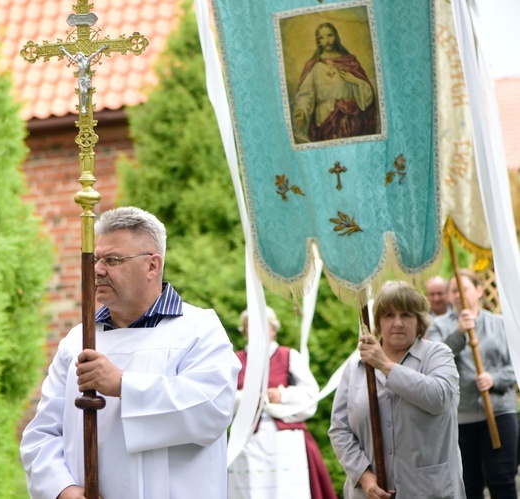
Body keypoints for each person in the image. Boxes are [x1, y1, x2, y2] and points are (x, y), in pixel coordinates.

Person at [20, 206, 240, 499]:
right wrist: (64, 490)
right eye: (97, 259)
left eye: (113, 260)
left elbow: (211, 410)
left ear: (152, 265)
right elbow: (42, 434)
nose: (97, 269)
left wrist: (123, 385)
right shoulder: (77, 341)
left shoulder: (199, 329)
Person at [329, 281, 465, 498]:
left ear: (419, 321)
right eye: (389, 315)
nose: (398, 323)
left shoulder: (438, 355)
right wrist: (365, 476)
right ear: (378, 322)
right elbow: (340, 429)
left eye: (406, 315)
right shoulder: (356, 368)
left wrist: (385, 366)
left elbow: (439, 397)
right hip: (369, 493)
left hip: (430, 491)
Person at [426, 270, 518, 499]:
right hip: (461, 419)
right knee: (468, 486)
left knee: (502, 481)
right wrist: (459, 333)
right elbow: (435, 361)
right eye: (453, 291)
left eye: (463, 289)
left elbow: (515, 366)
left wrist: (494, 379)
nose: (458, 295)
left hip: (499, 414)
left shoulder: (500, 323)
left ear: (478, 290)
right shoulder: (438, 327)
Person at [228, 307, 336, 499]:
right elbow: (223, 399)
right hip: (248, 442)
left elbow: (310, 396)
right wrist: (248, 398)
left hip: (285, 441)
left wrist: (281, 395)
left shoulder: (289, 355)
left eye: (262, 325)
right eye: (250, 327)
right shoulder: (235, 361)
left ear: (273, 329)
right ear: (244, 331)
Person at [293, 22, 377, 144]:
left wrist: (356, 81)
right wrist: (301, 110)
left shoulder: (349, 62)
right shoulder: (315, 66)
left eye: (330, 35)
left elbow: (368, 95)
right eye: (322, 37)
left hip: (349, 117)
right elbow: (306, 93)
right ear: (318, 41)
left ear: (336, 36)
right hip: (324, 116)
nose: (327, 40)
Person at [60, 44, 107, 115]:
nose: (77, 57)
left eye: (78, 55)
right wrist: (63, 50)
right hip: (81, 79)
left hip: (86, 79)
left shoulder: (87, 60)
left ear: (81, 56)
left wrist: (102, 48)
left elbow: (95, 54)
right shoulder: (78, 61)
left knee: (85, 92)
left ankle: (85, 106)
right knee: (82, 92)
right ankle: (83, 107)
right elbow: (69, 56)